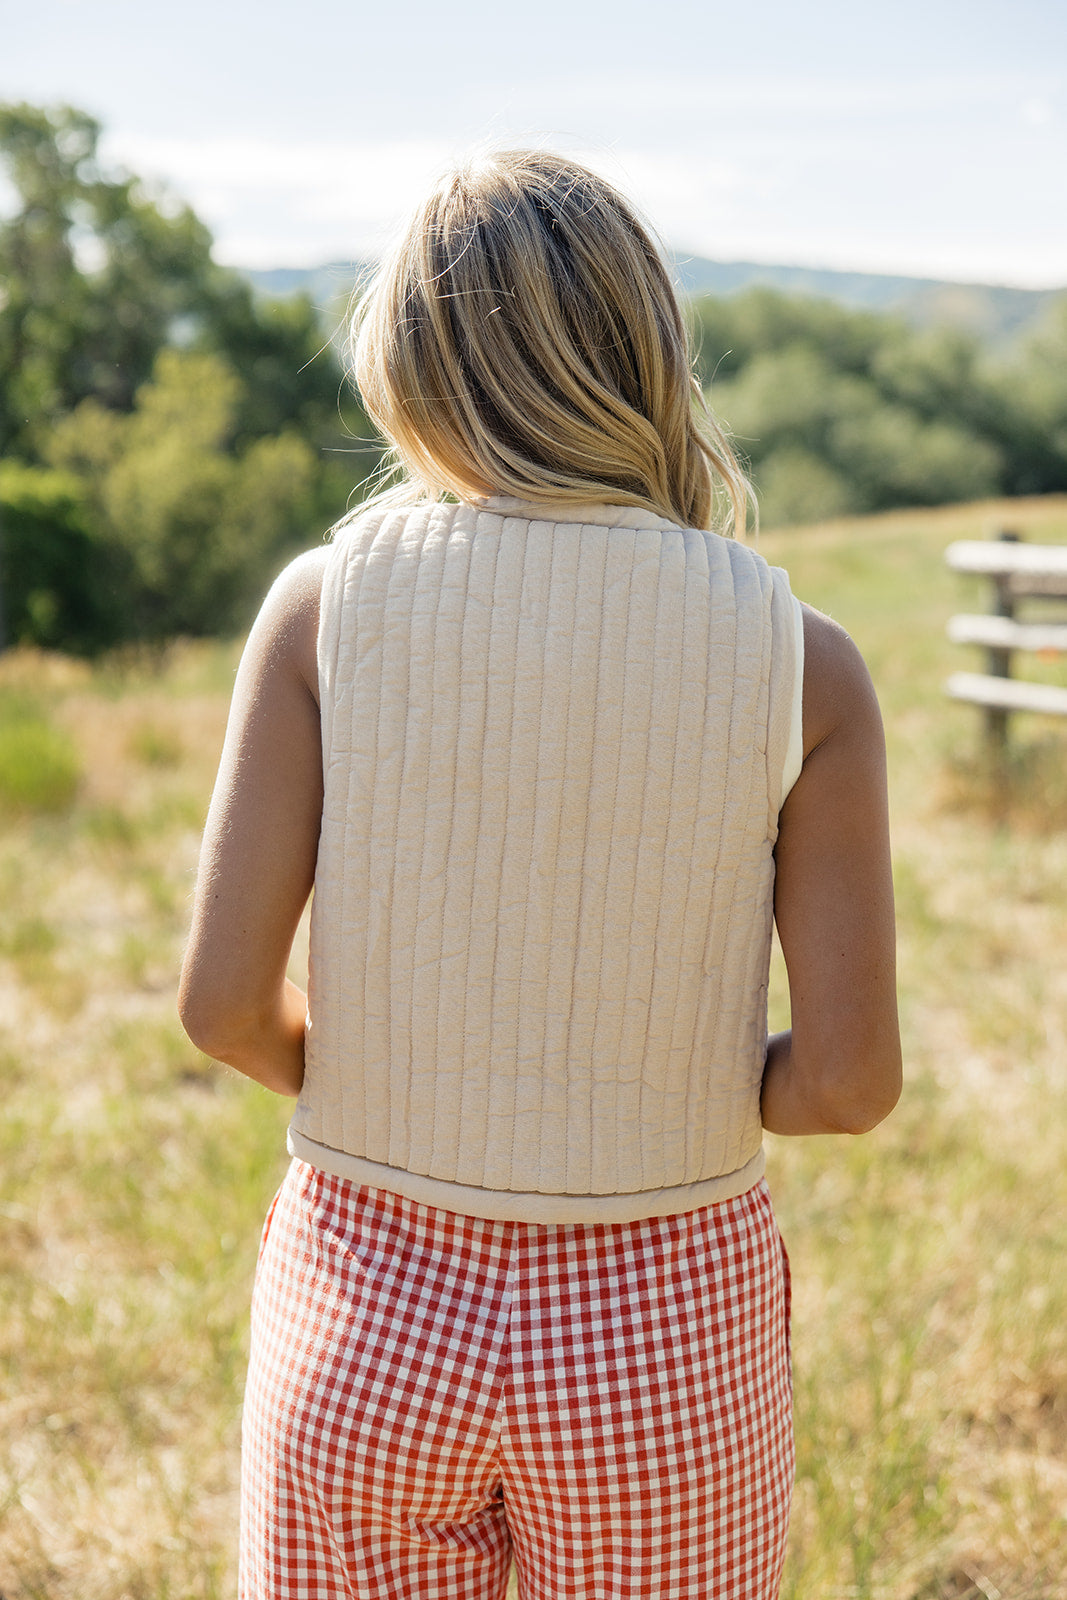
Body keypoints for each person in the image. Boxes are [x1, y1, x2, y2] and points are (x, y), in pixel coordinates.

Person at [179, 149, 901, 1600]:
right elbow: (847, 1083)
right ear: (646, 356)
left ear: (411, 365)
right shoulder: (801, 660)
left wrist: (390, 1077)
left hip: (367, 1306)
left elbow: (220, 1010)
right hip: (666, 1324)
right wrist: (666, 1083)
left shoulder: (323, 610)